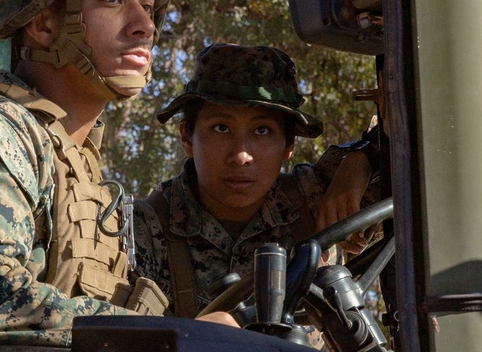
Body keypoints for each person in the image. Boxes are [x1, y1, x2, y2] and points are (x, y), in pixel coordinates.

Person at [0, 0, 189, 346]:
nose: (145, 26)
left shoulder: (76, 157)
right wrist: (165, 337)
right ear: (43, 26)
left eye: (148, 4)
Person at [133, 43, 377, 318]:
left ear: (289, 145)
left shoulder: (317, 198)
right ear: (187, 137)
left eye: (262, 131)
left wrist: (361, 160)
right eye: (221, 128)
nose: (240, 156)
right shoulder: (143, 229)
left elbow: (415, 135)